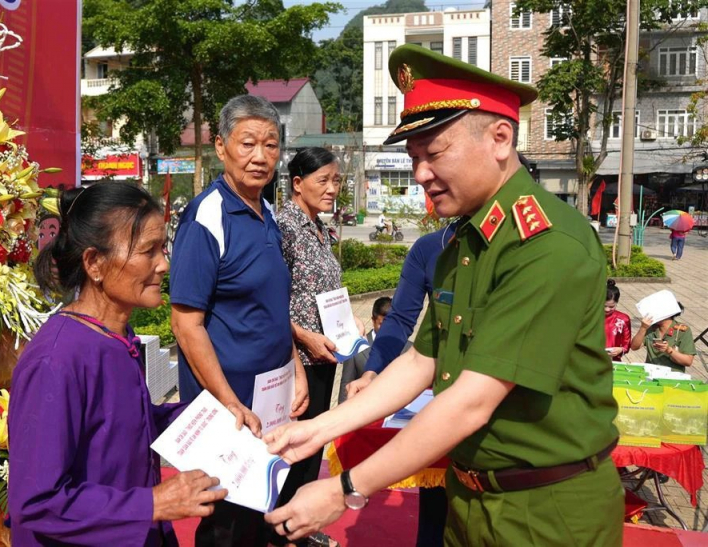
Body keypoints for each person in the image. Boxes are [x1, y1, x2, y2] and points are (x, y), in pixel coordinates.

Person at [264, 44, 623, 546]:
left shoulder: (545, 244)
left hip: (546, 511)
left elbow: (471, 402)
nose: (419, 175)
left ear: (500, 139)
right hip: (468, 498)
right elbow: (422, 360)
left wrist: (345, 490)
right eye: (414, 159)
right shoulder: (465, 239)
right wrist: (320, 428)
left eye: (433, 154)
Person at [9, 183, 226, 546]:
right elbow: (37, 502)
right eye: (148, 251)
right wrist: (153, 503)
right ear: (94, 263)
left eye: (163, 248)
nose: (164, 264)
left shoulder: (115, 336)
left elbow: (129, 424)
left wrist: (216, 416)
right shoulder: (56, 360)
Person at [169, 94, 309, 547]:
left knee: (259, 517)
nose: (260, 156)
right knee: (226, 526)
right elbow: (185, 324)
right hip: (228, 410)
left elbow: (272, 305)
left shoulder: (266, 212)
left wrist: (295, 368)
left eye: (271, 144)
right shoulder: (206, 217)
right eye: (248, 143)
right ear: (221, 146)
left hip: (269, 401)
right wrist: (229, 403)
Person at [342, 222, 457, 547]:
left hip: (498, 402)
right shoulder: (430, 247)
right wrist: (371, 373)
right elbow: (402, 319)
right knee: (435, 505)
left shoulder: (520, 241)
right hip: (442, 393)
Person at [274, 147, 343, 547]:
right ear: (297, 184)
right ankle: (284, 525)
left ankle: (298, 523)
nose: (332, 189)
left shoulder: (320, 228)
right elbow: (269, 299)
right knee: (295, 444)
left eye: (336, 181)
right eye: (324, 181)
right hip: (296, 359)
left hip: (325, 356)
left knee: (313, 441)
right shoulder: (284, 228)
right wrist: (303, 336)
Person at [339, 296, 398, 405]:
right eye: (381, 324)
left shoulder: (408, 348)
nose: (386, 329)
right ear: (373, 320)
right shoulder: (356, 348)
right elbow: (346, 384)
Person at [631, 302, 696, 372]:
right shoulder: (650, 328)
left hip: (672, 374)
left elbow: (688, 361)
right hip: (650, 372)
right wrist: (643, 328)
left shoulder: (681, 330)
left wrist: (669, 350)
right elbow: (634, 347)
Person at [605, 279, 632, 360]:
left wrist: (621, 350)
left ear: (617, 303)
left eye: (611, 306)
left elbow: (627, 343)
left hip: (613, 360)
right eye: (604, 306)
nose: (607, 309)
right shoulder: (591, 317)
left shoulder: (623, 319)